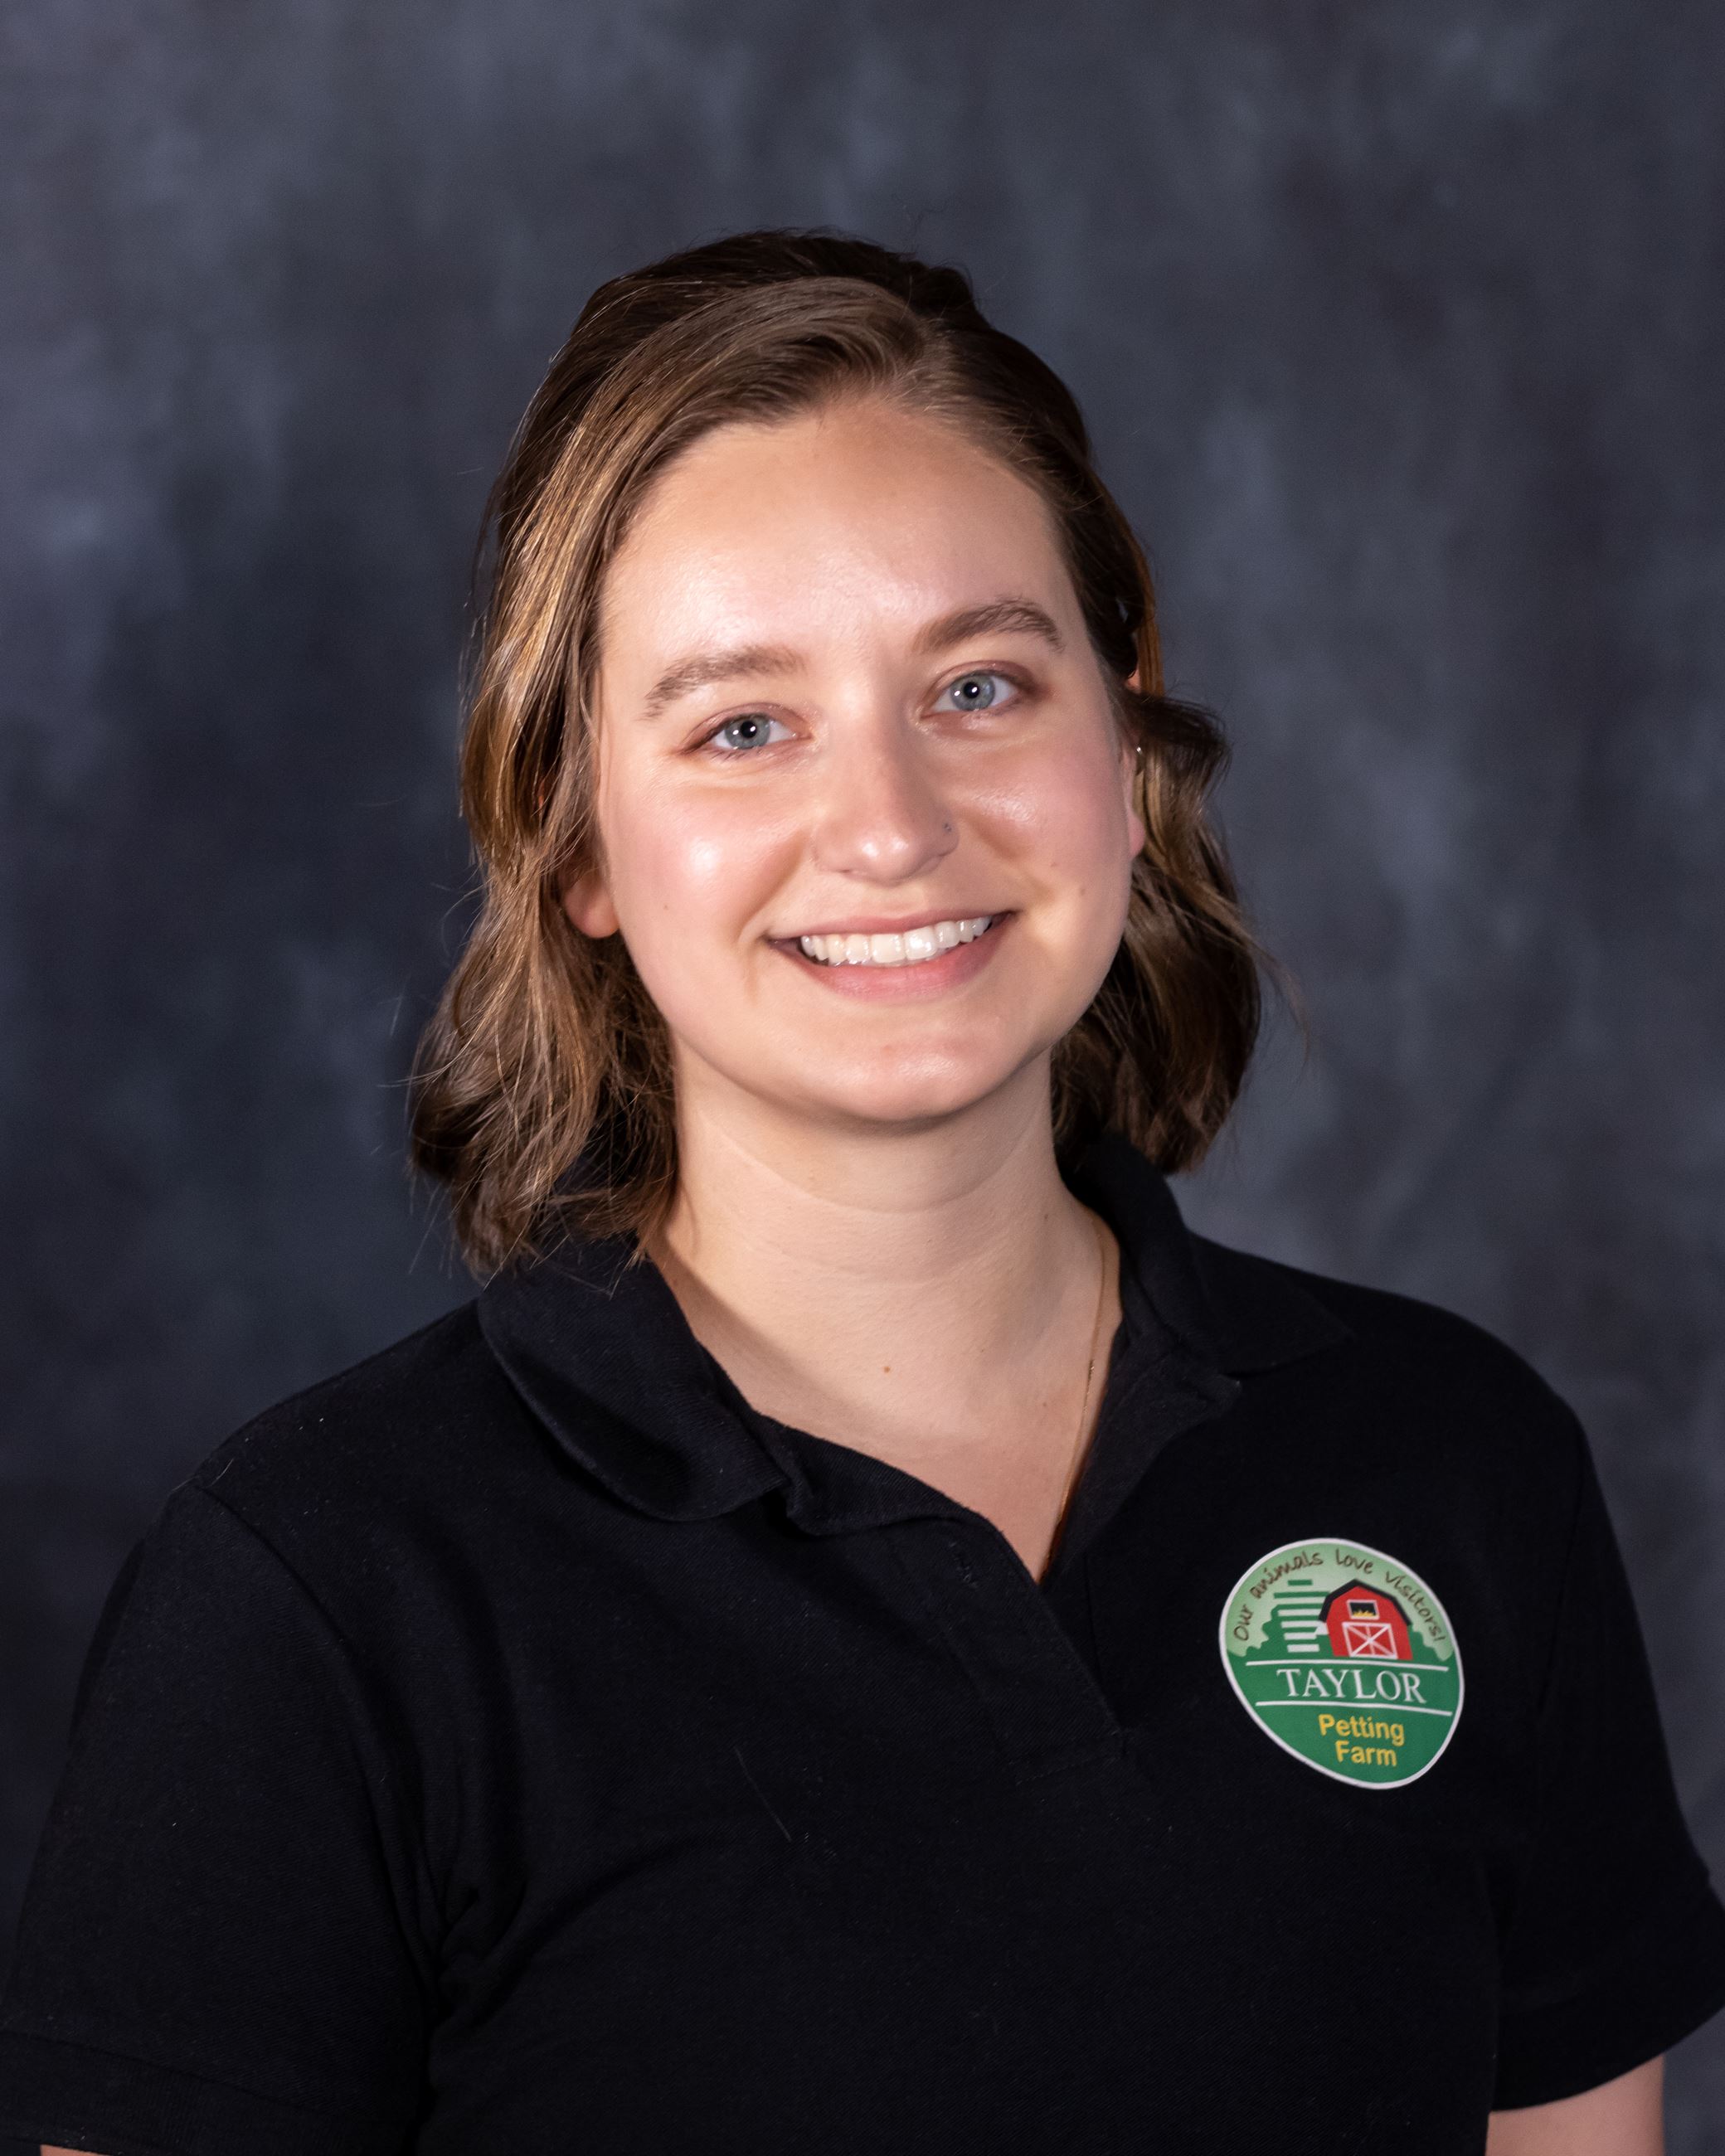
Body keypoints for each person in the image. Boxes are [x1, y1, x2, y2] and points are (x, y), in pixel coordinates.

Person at [2, 231, 1721, 2156]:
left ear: (1123, 735)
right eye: (743, 725)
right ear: (577, 835)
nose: (892, 826)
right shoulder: (318, 1593)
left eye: (978, 684)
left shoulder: (1451, 1464)